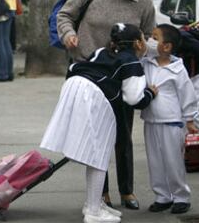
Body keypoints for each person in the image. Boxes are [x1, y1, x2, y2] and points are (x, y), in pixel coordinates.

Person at [57, 0, 156, 209]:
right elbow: (65, 15)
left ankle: (127, 191)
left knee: (122, 135)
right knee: (95, 137)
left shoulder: (143, 0)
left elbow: (146, 35)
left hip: (122, 76)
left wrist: (142, 51)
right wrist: (68, 34)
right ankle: (101, 193)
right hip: (90, 74)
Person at [41, 23, 157, 223]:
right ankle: (94, 211)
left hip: (74, 85)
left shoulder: (102, 51)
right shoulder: (131, 63)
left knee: (94, 152)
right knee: (98, 154)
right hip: (93, 95)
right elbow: (134, 99)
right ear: (138, 43)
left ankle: (94, 203)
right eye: (144, 39)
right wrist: (151, 93)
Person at [141, 24, 199, 214]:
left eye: (155, 38)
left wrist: (189, 120)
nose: (150, 40)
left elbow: (187, 95)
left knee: (173, 161)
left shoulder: (177, 69)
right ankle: (162, 196)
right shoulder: (146, 63)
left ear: (167, 46)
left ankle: (181, 196)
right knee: (155, 161)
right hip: (151, 121)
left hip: (172, 122)